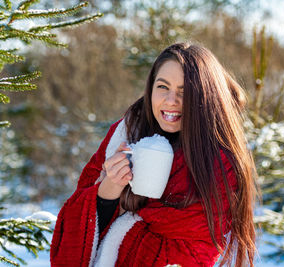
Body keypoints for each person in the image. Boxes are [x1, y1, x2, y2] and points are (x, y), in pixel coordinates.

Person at [50, 43, 258, 267]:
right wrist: (109, 189)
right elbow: (75, 222)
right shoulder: (124, 135)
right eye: (162, 87)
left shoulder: (218, 163)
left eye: (185, 91)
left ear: (204, 96)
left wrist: (128, 209)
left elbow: (192, 251)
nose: (171, 101)